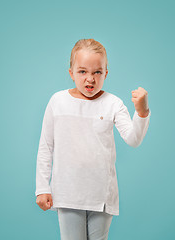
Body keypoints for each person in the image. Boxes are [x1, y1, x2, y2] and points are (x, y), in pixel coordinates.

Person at [35, 38, 151, 240]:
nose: (90, 78)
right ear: (71, 73)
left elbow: (133, 139)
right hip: (68, 193)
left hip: (102, 196)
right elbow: (46, 146)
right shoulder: (58, 102)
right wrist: (42, 187)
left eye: (97, 72)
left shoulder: (113, 103)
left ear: (105, 73)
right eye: (82, 71)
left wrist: (141, 112)